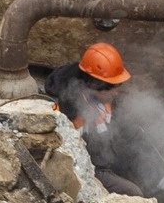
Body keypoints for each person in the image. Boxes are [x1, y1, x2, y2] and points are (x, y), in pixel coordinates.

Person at [42, 42, 141, 195]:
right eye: (110, 88)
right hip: (85, 167)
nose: (115, 93)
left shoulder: (105, 100)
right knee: (134, 193)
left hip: (105, 160)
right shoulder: (66, 107)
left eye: (117, 86)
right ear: (92, 83)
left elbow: (126, 131)